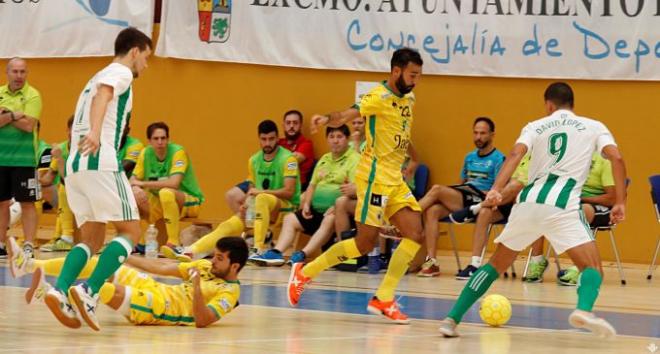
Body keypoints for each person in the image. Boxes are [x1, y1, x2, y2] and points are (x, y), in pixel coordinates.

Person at [438, 82, 627, 338]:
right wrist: (620, 202)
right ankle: (583, 310)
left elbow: (515, 154)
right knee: (592, 268)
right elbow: (616, 158)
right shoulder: (594, 126)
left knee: (495, 264)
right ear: (572, 103)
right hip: (562, 205)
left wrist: (496, 188)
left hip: (527, 203)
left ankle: (451, 319)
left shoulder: (535, 125)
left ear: (548, 104)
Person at [287, 47, 424, 323]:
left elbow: (401, 134)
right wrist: (327, 118)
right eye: (412, 74)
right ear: (396, 71)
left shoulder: (409, 97)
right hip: (373, 177)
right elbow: (348, 114)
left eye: (419, 75)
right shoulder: (377, 96)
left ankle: (384, 298)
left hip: (394, 178)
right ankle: (305, 273)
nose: (415, 80)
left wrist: (412, 158)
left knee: (415, 233)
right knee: (364, 244)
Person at [42, 27, 152, 331]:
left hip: (75, 166)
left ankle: (60, 289)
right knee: (131, 232)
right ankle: (89, 291)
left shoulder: (94, 75)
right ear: (134, 51)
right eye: (146, 57)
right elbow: (104, 95)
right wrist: (94, 131)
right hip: (99, 159)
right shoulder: (120, 72)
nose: (146, 64)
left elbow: (98, 94)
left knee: (91, 237)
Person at [8, 235, 247, 328]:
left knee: (98, 289)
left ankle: (46, 292)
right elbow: (161, 267)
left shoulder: (230, 293)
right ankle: (27, 266)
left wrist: (195, 288)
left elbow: (203, 320)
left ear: (234, 266)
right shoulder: (205, 266)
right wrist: (123, 256)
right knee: (103, 266)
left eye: (219, 258)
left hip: (162, 308)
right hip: (156, 287)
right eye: (214, 256)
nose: (212, 261)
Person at [168, 119, 301, 261]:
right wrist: (246, 205)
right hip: (260, 210)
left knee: (262, 198)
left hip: (284, 209)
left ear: (277, 138)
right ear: (259, 139)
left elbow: (289, 192)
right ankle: (191, 251)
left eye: (271, 139)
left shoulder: (288, 159)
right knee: (229, 224)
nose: (267, 143)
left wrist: (260, 194)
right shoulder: (254, 160)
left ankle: (258, 249)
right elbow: (252, 188)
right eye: (264, 139)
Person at [250, 124, 360, 266]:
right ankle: (277, 253)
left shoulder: (354, 159)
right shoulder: (325, 159)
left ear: (347, 139)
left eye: (339, 137)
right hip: (315, 211)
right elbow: (312, 185)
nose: (335, 141)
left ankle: (302, 254)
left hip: (336, 213)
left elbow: (353, 189)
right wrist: (307, 203)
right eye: (331, 137)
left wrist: (337, 207)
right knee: (290, 219)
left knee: (329, 218)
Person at [417, 117, 505, 277]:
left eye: (483, 133)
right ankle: (432, 262)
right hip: (465, 200)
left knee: (436, 189)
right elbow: (460, 184)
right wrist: (455, 191)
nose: (478, 137)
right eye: (475, 133)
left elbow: (498, 189)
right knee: (432, 210)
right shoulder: (469, 157)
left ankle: (410, 215)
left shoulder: (499, 158)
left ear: (492, 135)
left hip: (483, 200)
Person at [526, 151, 616, 284]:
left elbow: (612, 198)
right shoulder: (570, 158)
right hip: (572, 202)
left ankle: (582, 267)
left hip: (601, 207)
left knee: (580, 211)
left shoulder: (605, 161)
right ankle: (537, 261)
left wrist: (582, 199)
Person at [130, 121, 204, 255]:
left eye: (163, 138)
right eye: (156, 139)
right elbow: (133, 180)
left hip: (188, 200)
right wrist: (136, 189)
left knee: (166, 193)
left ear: (168, 139)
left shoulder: (178, 152)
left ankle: (173, 243)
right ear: (149, 141)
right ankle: (140, 242)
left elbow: (174, 183)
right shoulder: (145, 153)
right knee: (134, 196)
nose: (160, 142)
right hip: (161, 202)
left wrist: (143, 184)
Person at [224, 110, 314, 214]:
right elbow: (264, 158)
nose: (291, 126)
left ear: (301, 125)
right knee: (232, 195)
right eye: (288, 123)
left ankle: (258, 225)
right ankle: (249, 226)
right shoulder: (276, 143)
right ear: (283, 125)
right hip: (263, 178)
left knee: (261, 199)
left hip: (286, 181)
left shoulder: (305, 144)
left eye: (295, 123)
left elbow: (291, 160)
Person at [0, 57, 43, 259]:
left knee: (27, 203)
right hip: (1, 159)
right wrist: (14, 114)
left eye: (22, 72)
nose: (19, 76)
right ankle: (0, 243)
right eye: (15, 71)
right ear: (7, 73)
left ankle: (27, 244)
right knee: (1, 202)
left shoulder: (33, 95)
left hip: (25, 160)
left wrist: (5, 116)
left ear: (27, 73)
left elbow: (29, 126)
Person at [39, 116, 76, 252]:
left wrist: (60, 158)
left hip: (88, 195)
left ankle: (66, 237)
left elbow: (68, 180)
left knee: (65, 186)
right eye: (74, 129)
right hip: (67, 195)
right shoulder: (61, 147)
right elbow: (48, 178)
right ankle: (60, 237)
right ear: (67, 130)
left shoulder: (88, 150)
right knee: (42, 189)